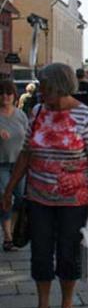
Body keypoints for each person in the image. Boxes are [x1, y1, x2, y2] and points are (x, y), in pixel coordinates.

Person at [2, 63, 88, 308]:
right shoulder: (37, 112)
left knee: (68, 253)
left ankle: (67, 307)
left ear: (58, 86)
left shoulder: (84, 115)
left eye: (44, 87)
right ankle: (42, 306)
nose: (40, 93)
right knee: (40, 253)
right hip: (39, 197)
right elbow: (26, 153)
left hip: (74, 200)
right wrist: (10, 188)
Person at [0, 80, 28, 251]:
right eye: (2, 93)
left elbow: (29, 139)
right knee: (5, 197)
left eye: (9, 93)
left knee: (19, 199)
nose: (5, 97)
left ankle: (13, 230)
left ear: (14, 96)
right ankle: (8, 238)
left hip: (19, 165)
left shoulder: (21, 115)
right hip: (1, 164)